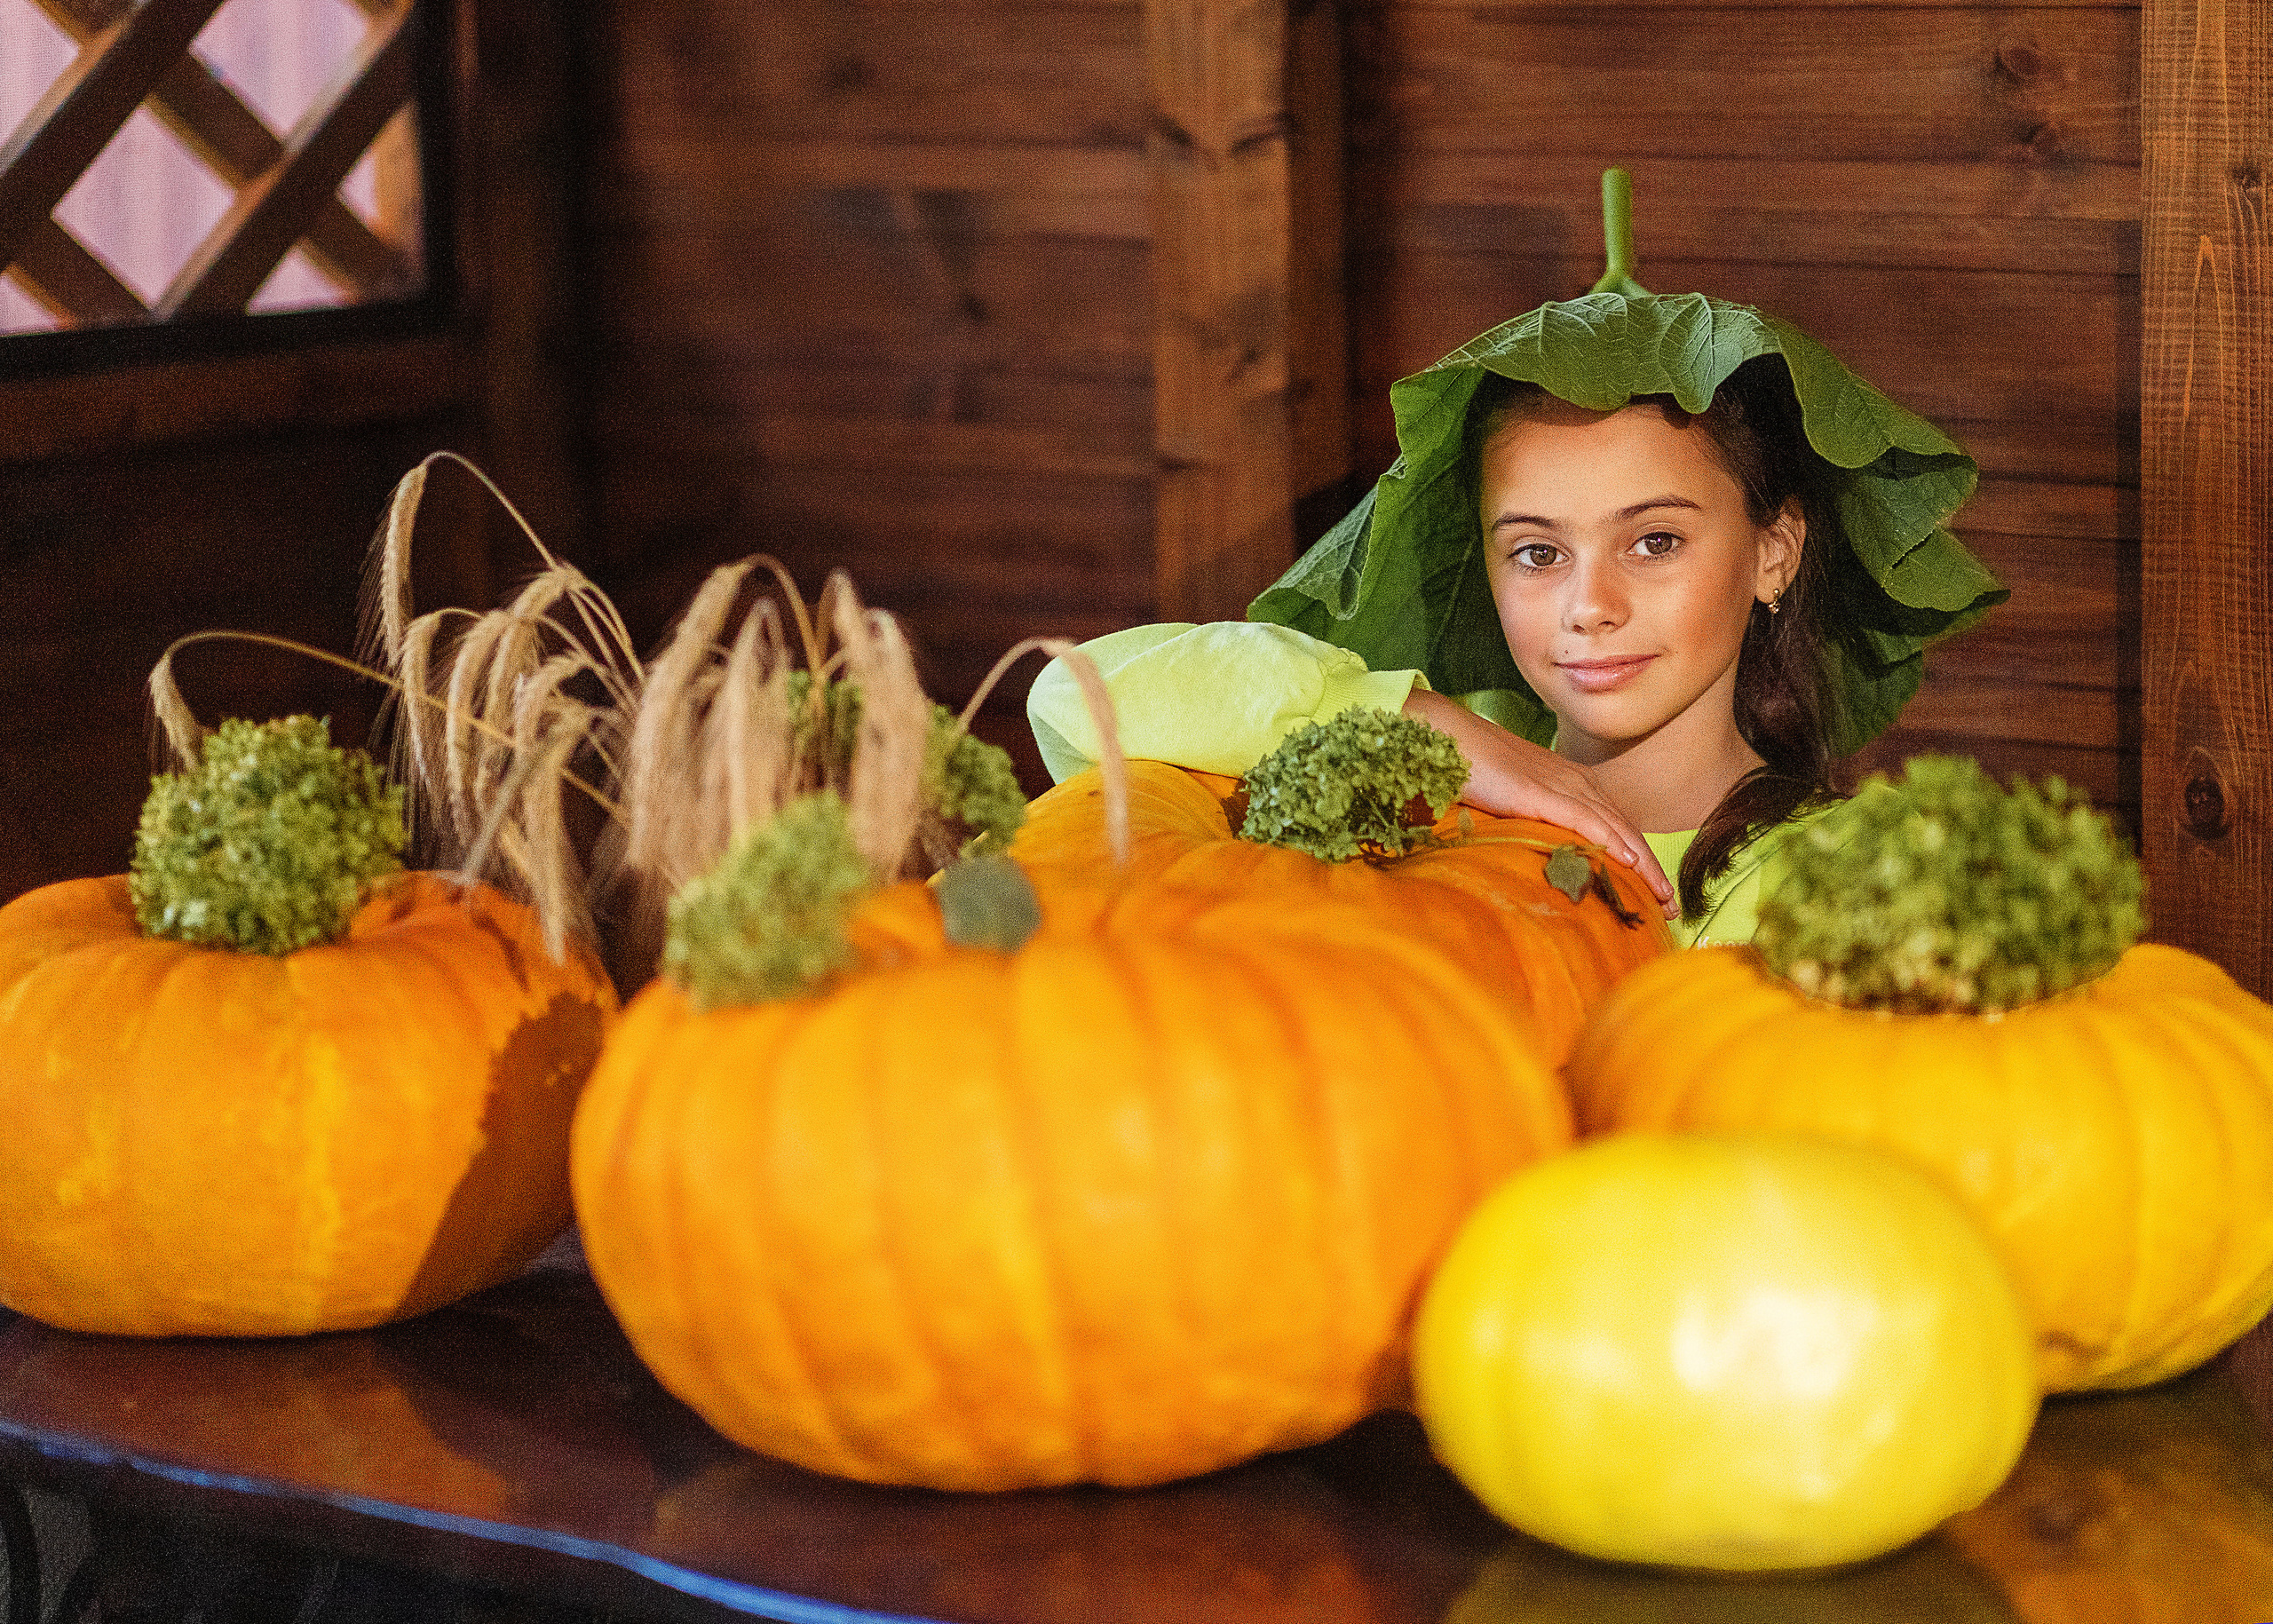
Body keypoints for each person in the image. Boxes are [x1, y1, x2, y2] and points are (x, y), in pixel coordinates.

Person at [1027, 176, 2005, 946]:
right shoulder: (1420, 791)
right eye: (1538, 551)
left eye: (1653, 541)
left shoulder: (1848, 874)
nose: (1590, 604)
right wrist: (1433, 730)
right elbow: (1072, 701)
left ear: (1773, 552)